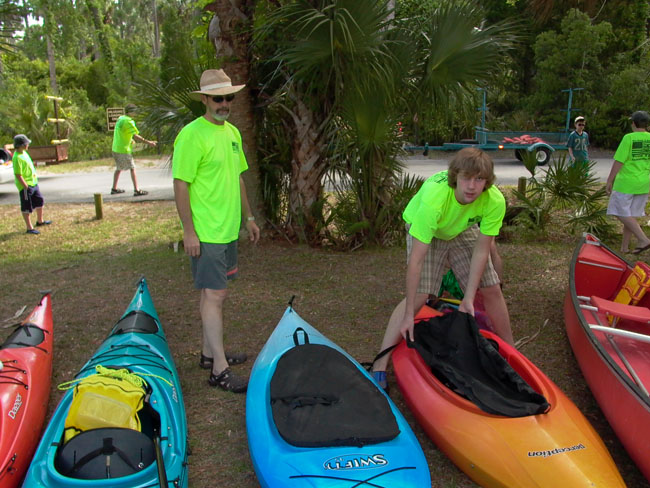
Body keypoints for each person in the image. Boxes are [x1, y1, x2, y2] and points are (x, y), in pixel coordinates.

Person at [372, 147, 514, 390]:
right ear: (455, 177)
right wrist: (409, 315)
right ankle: (380, 364)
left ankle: (512, 353)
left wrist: (469, 297)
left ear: (487, 182)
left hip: (460, 228)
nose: (472, 186)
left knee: (491, 287)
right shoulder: (434, 199)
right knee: (420, 295)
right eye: (466, 178)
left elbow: (482, 249)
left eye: (479, 179)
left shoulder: (494, 200)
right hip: (429, 229)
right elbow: (416, 261)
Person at [172, 69, 260, 393]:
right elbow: (181, 184)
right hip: (206, 230)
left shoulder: (233, 133)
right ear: (205, 100)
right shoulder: (192, 135)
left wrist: (248, 217)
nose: (224, 103)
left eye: (228, 97)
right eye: (218, 98)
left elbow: (238, 178)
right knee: (215, 294)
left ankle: (209, 354)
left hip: (227, 230)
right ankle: (219, 370)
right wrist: (189, 231)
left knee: (211, 293)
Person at [605, 110, 650, 254]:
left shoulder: (629, 138)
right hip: (644, 183)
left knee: (619, 212)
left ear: (633, 123)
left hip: (626, 183)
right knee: (630, 215)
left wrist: (609, 180)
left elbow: (619, 161)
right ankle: (624, 248)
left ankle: (643, 239)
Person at [111, 104, 157, 196]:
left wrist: (130, 139)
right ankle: (137, 190)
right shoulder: (129, 121)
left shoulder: (121, 119)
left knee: (119, 168)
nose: (136, 113)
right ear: (130, 112)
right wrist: (148, 142)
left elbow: (123, 133)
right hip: (123, 150)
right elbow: (136, 136)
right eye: (135, 111)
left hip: (116, 148)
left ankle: (114, 189)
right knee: (132, 168)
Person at [12, 134, 52, 234]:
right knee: (27, 207)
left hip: (33, 182)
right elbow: (18, 174)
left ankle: (40, 221)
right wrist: (25, 186)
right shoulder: (17, 157)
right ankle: (29, 228)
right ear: (20, 145)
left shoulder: (24, 153)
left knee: (40, 200)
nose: (27, 145)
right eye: (26, 143)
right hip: (26, 186)